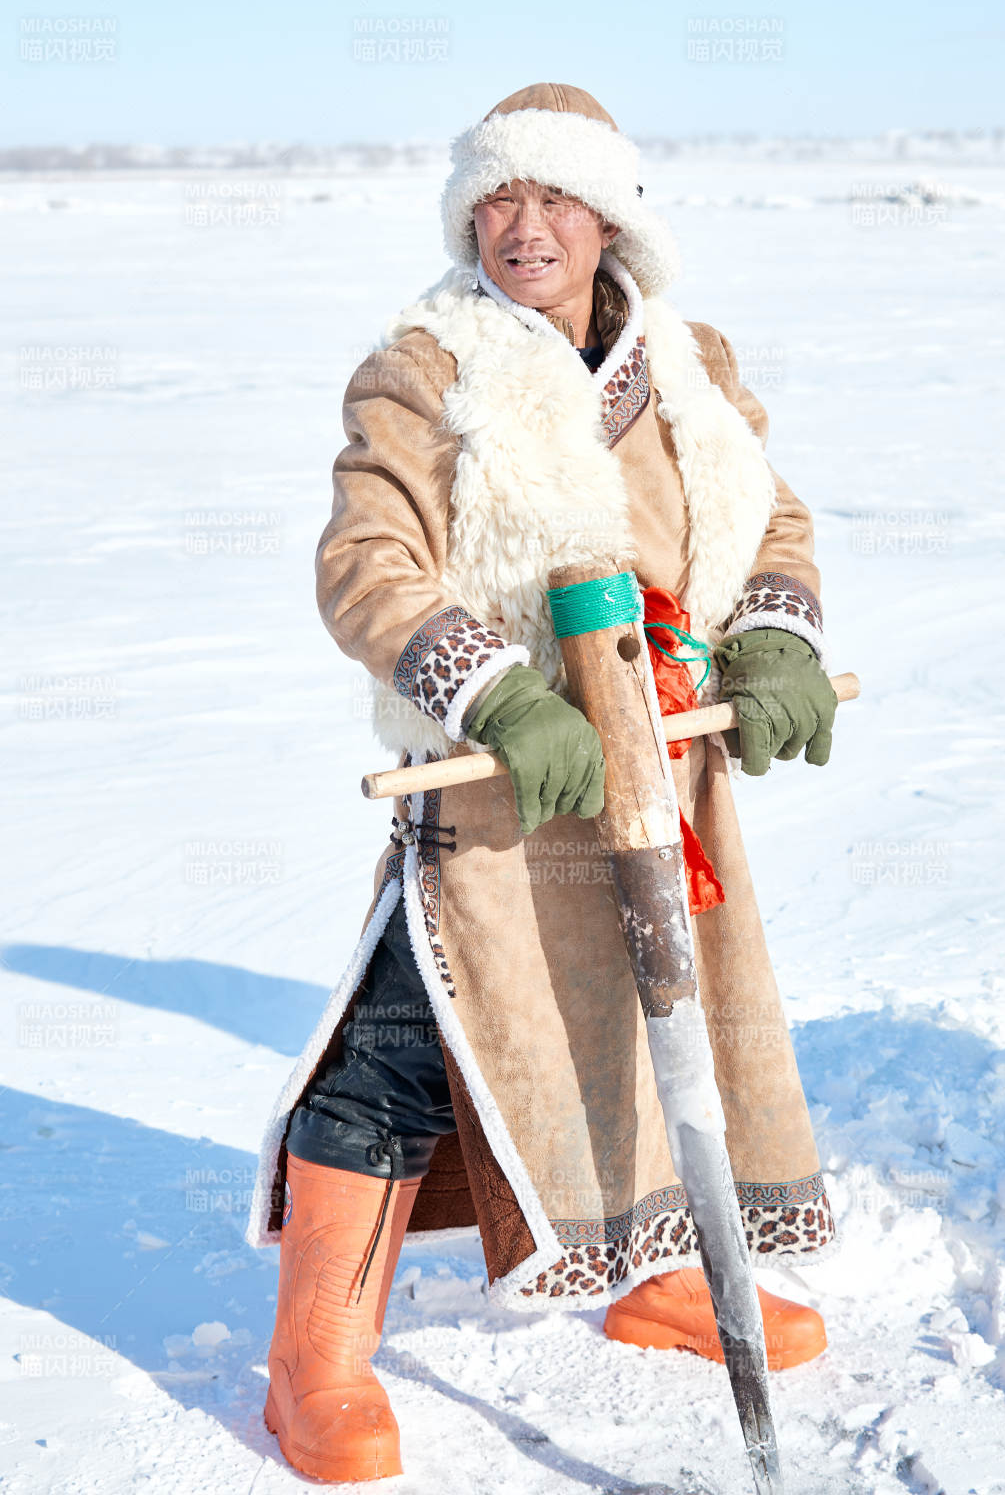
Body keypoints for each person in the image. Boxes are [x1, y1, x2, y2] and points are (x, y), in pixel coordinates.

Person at [247, 82, 839, 1484]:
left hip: (663, 766)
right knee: (405, 1048)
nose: (526, 225)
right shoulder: (425, 367)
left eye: (556, 197)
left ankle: (657, 1272)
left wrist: (775, 633)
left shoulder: (688, 363)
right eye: (498, 199)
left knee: (647, 1024)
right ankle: (311, 1366)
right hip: (496, 789)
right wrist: (497, 689)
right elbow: (365, 561)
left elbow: (772, 518)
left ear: (609, 219)